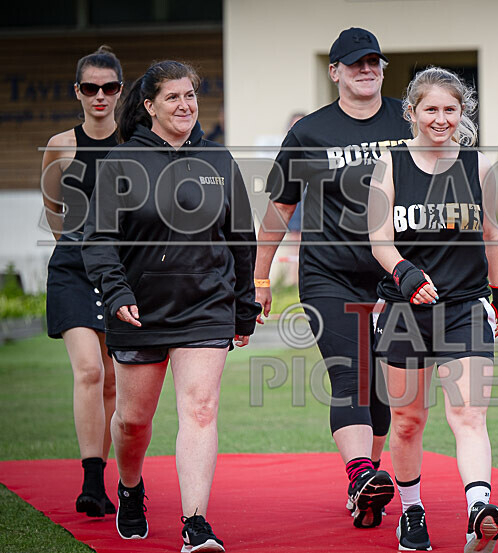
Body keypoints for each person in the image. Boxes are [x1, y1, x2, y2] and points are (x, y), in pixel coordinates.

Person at [82, 60, 260, 551]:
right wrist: (116, 292)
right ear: (149, 105)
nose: (185, 106)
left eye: (191, 96)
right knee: (134, 421)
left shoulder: (219, 161)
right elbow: (98, 239)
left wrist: (244, 307)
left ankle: (195, 523)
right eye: (173, 98)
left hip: (207, 305)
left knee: (200, 411)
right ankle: (131, 487)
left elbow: (241, 239)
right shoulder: (120, 163)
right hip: (139, 309)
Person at [254, 27, 412, 529]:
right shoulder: (310, 132)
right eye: (355, 63)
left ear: (383, 68)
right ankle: (360, 472)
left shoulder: (408, 122)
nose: (366, 70)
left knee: (386, 395)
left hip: (395, 279)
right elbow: (279, 210)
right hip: (329, 275)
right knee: (351, 374)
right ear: (335, 71)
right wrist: (259, 280)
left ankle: (370, 485)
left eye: (374, 62)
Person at [369, 67, 498, 552]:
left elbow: (492, 235)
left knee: (469, 415)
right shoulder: (391, 164)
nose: (441, 118)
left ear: (462, 113)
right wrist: (405, 274)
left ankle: (478, 511)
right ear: (411, 112)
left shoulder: (478, 166)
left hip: (465, 307)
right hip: (403, 310)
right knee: (408, 420)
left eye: (450, 109)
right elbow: (378, 239)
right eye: (430, 108)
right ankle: (411, 512)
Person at [41, 45, 123, 518]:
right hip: (72, 269)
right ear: (78, 91)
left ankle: (110, 478)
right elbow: (52, 207)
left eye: (109, 88)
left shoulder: (135, 142)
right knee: (89, 370)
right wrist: (76, 246)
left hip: (120, 273)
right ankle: (92, 481)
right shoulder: (61, 145)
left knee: (113, 378)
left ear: (120, 91)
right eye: (90, 87)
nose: (99, 96)